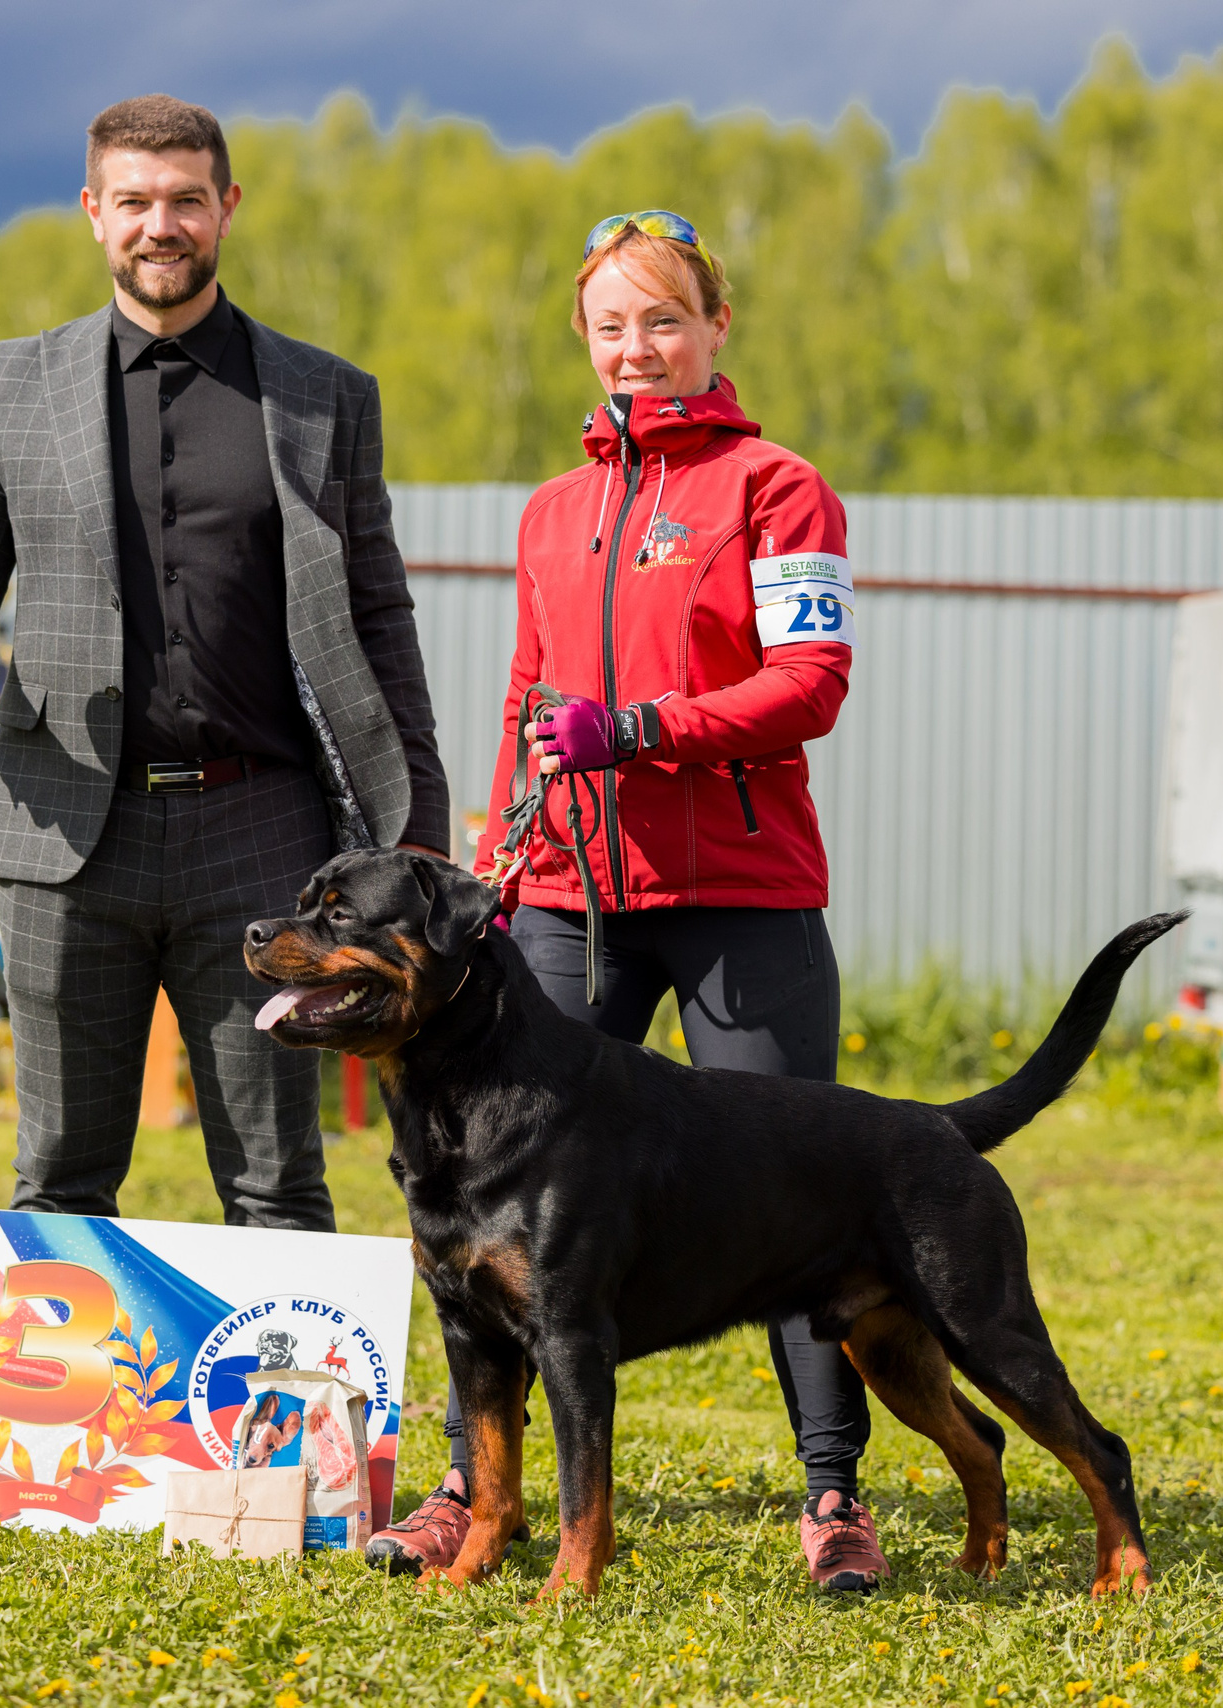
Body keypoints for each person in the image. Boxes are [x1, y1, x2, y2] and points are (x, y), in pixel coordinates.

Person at [365, 211, 882, 1592]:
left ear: (716, 329)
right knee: (489, 1201)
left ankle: (833, 1498)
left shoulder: (780, 487)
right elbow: (530, 707)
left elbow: (810, 686)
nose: (637, 350)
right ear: (585, 344)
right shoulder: (553, 510)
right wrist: (492, 859)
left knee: (798, 1201)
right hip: (562, 901)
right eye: (611, 327)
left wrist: (645, 729)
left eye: (663, 321)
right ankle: (479, 1491)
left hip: (744, 899)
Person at [0, 95, 447, 1230]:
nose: (158, 225)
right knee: (61, 1181)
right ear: (92, 213)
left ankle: (280, 1416)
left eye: (183, 200)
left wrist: (416, 827)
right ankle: (48, 1415)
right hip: (70, 833)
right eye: (133, 202)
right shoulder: (15, 382)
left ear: (226, 208)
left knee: (276, 1181)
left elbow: (380, 618)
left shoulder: (325, 397)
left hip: (264, 836)